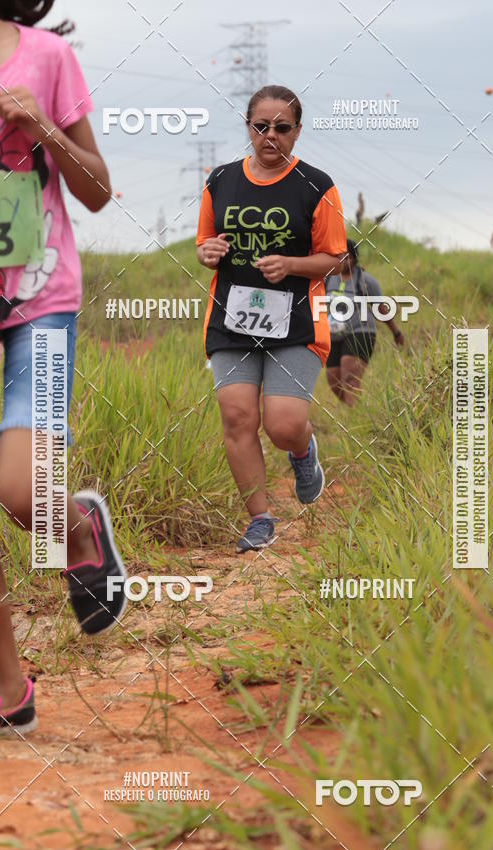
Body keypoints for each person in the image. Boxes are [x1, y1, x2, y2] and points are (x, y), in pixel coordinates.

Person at [0, 0, 127, 743]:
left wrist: (44, 128)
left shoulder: (46, 59)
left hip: (40, 304)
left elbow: (95, 188)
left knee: (26, 493)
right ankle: (8, 690)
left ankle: (79, 526)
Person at [196, 84, 347, 554]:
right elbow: (203, 244)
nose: (271, 136)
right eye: (261, 126)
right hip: (231, 319)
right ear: (248, 127)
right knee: (238, 417)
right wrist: (209, 252)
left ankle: (302, 452)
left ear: (297, 132)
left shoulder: (317, 186)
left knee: (281, 425)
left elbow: (335, 258)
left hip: (296, 321)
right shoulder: (220, 180)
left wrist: (292, 265)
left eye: (282, 128)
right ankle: (259, 518)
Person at [325, 239, 404, 406]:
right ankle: (361, 412)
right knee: (334, 382)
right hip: (334, 334)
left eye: (346, 257)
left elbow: (380, 308)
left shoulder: (365, 281)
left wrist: (396, 332)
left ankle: (359, 423)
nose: (342, 261)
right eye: (338, 257)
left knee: (350, 380)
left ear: (354, 258)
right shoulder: (328, 279)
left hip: (360, 331)